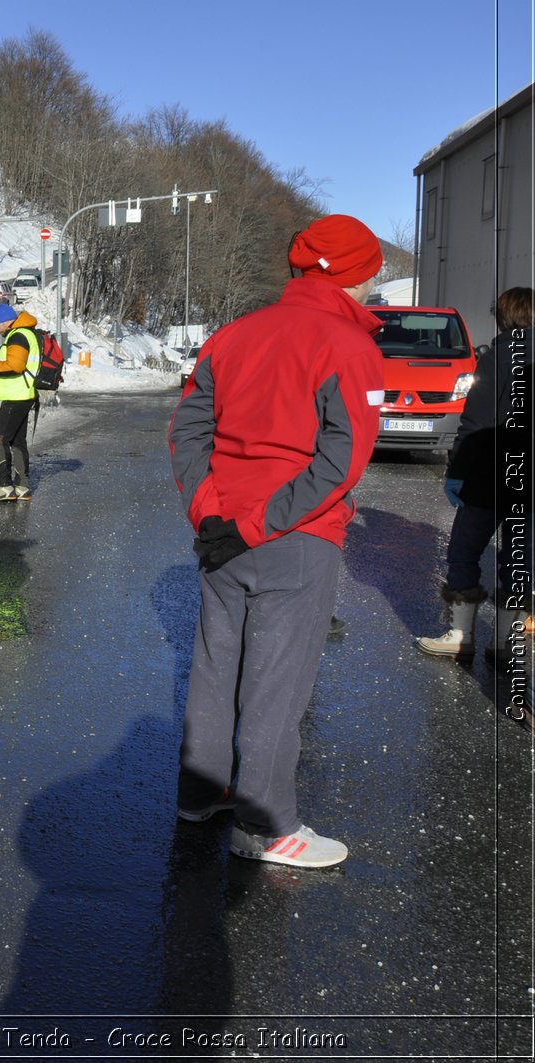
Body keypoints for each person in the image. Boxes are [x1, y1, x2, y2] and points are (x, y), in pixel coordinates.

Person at [168, 213, 386, 869]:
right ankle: (269, 825)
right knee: (277, 683)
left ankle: (201, 793)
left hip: (220, 532)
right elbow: (339, 462)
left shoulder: (231, 336)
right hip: (294, 536)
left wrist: (211, 514)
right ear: (359, 274)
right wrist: (258, 522)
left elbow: (187, 431)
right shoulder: (350, 347)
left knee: (216, 667)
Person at [416, 287, 533, 671]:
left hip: (487, 476)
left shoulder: (496, 356)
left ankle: (461, 637)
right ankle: (505, 643)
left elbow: (476, 423)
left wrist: (456, 473)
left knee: (465, 553)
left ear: (503, 317)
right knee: (518, 558)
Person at [0, 303, 41, 501]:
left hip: (16, 396)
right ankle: (22, 486)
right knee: (17, 441)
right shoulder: (24, 334)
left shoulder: (17, 335)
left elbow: (15, 366)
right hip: (23, 394)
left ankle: (5, 486)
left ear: (6, 322)